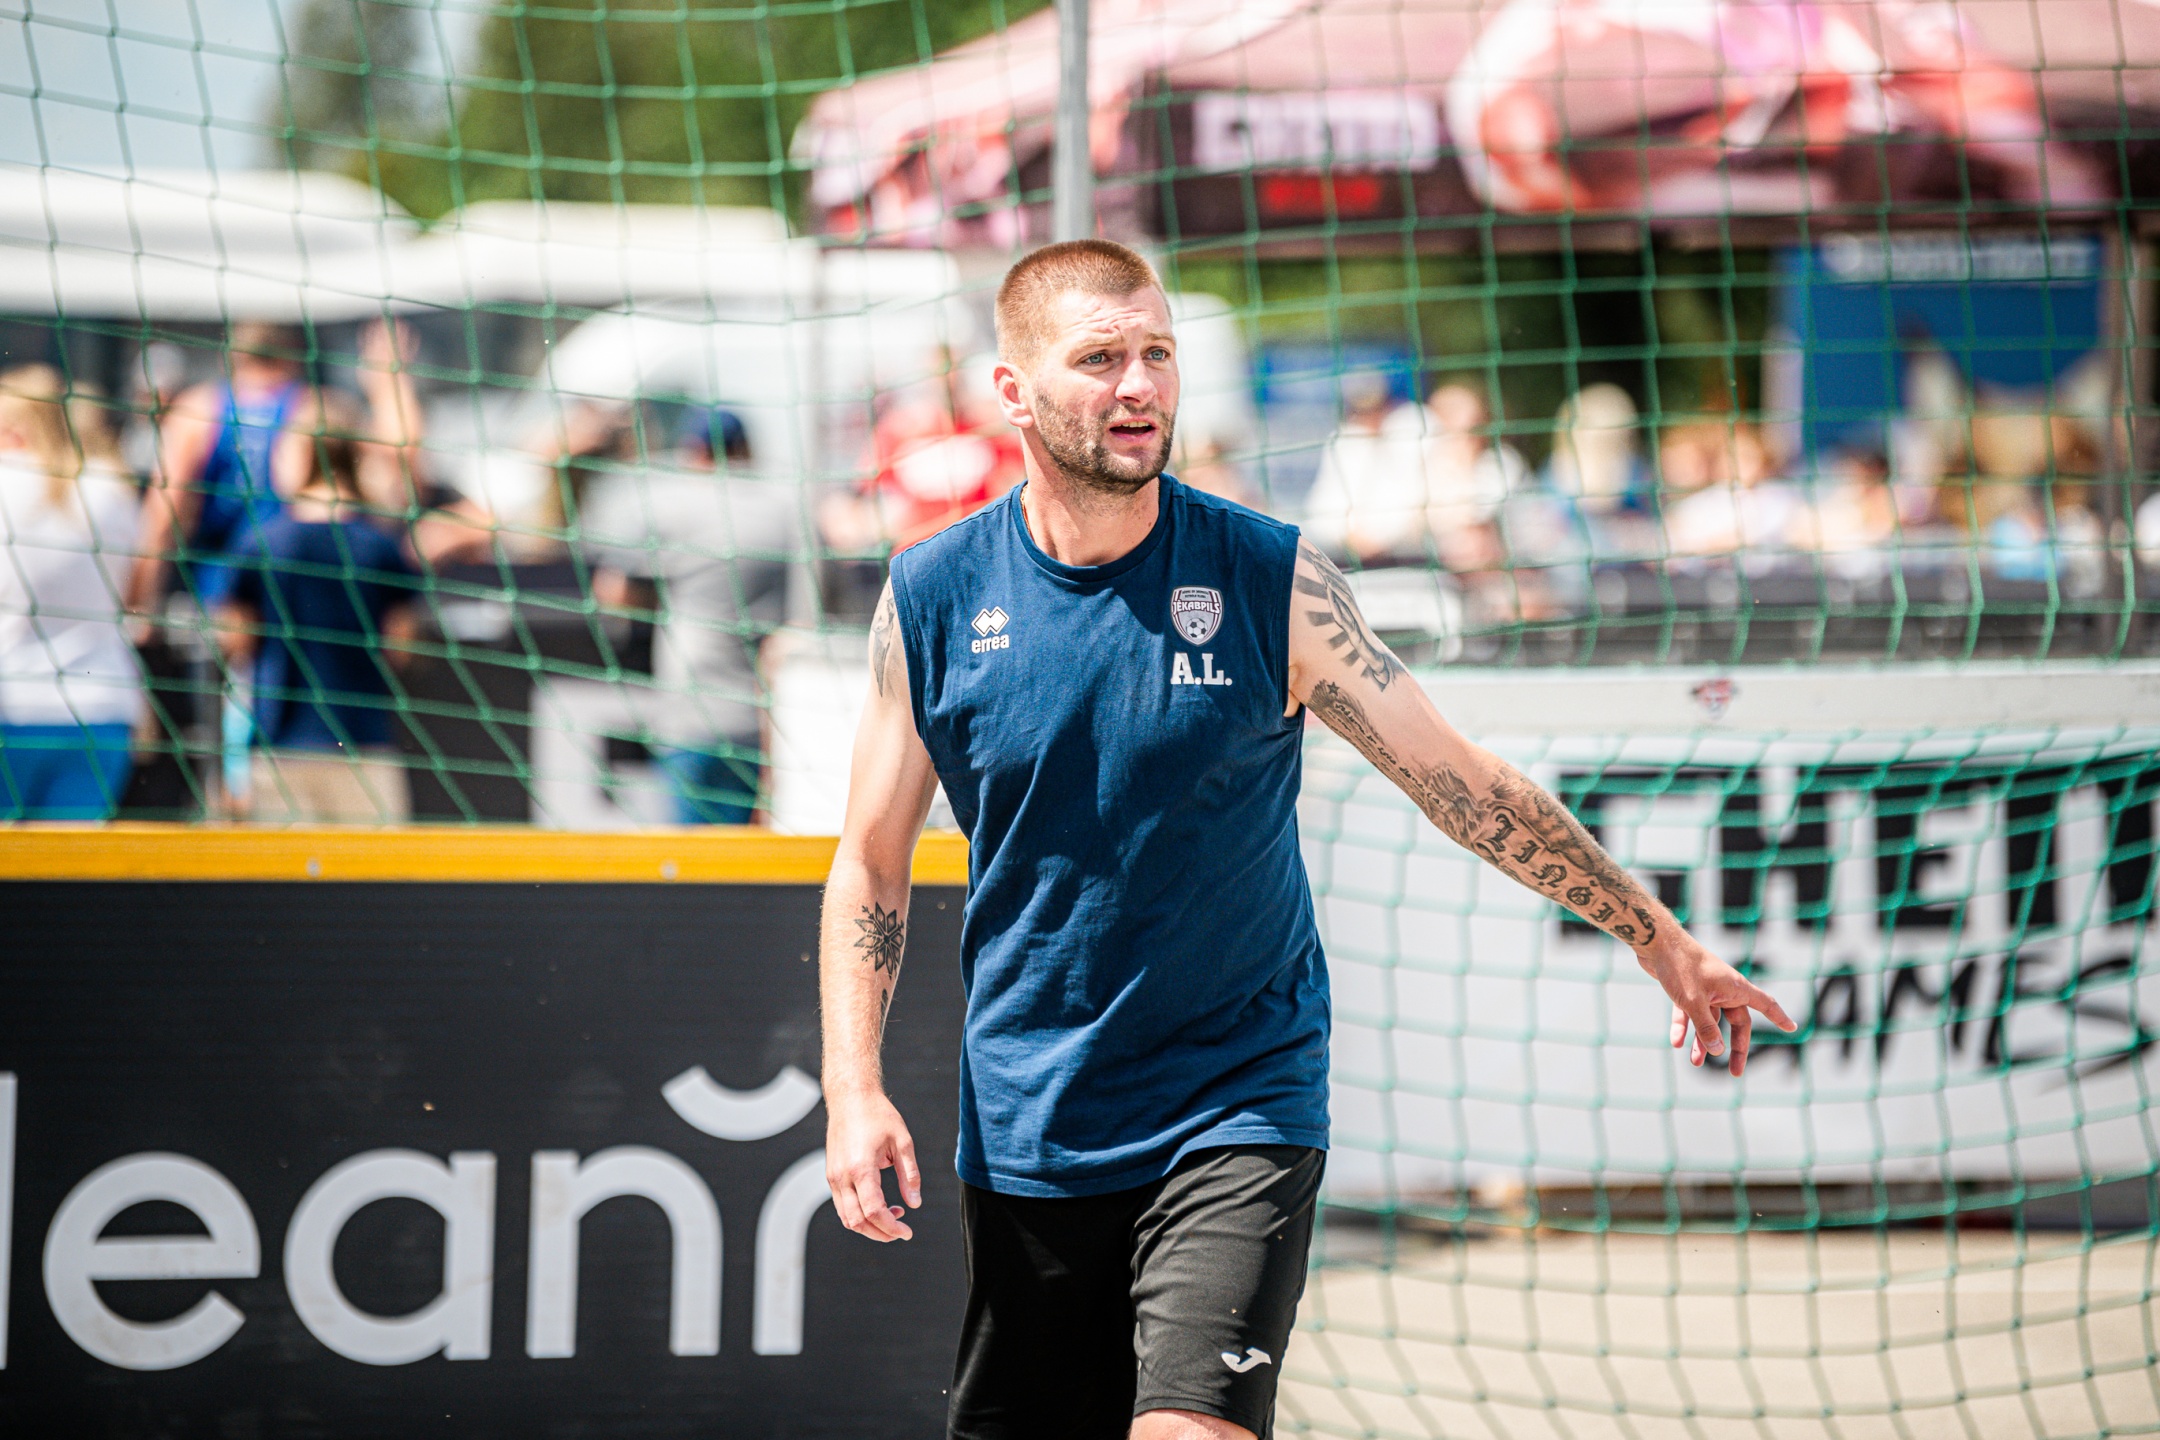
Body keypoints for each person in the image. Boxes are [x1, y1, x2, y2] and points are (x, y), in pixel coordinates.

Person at [818, 239, 1795, 1440]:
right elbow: (871, 862)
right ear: (1014, 391)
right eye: (1101, 359)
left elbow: (1461, 785)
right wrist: (853, 1087)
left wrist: (1656, 936)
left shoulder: (1267, 578)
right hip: (1034, 1113)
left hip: (1238, 1101)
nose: (1140, 384)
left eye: (1158, 353)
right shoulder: (932, 595)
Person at [215, 398, 430, 824]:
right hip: (363, 745)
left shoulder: (261, 543)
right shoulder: (381, 546)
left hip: (281, 746)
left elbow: (236, 643)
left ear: (298, 454)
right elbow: (400, 647)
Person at [579, 406, 796, 824]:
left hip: (696, 713)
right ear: (746, 450)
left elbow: (612, 591)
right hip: (770, 721)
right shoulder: (784, 510)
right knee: (757, 855)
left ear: (696, 451)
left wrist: (670, 596)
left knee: (694, 858)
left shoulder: (672, 504)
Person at [0, 365, 144, 819]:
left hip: (13, 704)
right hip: (101, 708)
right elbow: (133, 592)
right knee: (70, 860)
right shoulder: (112, 488)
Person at [129, 319, 309, 617]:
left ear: (232, 356)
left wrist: (139, 600)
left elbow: (164, 512)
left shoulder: (198, 409)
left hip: (218, 589)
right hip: (291, 585)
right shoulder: (313, 409)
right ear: (289, 356)